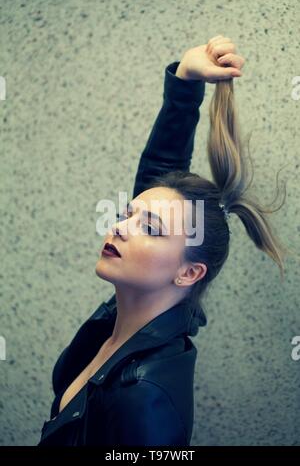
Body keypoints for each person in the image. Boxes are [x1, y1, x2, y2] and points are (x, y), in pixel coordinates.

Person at [38, 35, 290, 446]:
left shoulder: (145, 396)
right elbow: (158, 181)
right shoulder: (121, 324)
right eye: (127, 214)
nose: (120, 227)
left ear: (189, 271)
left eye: (150, 229)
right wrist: (186, 84)